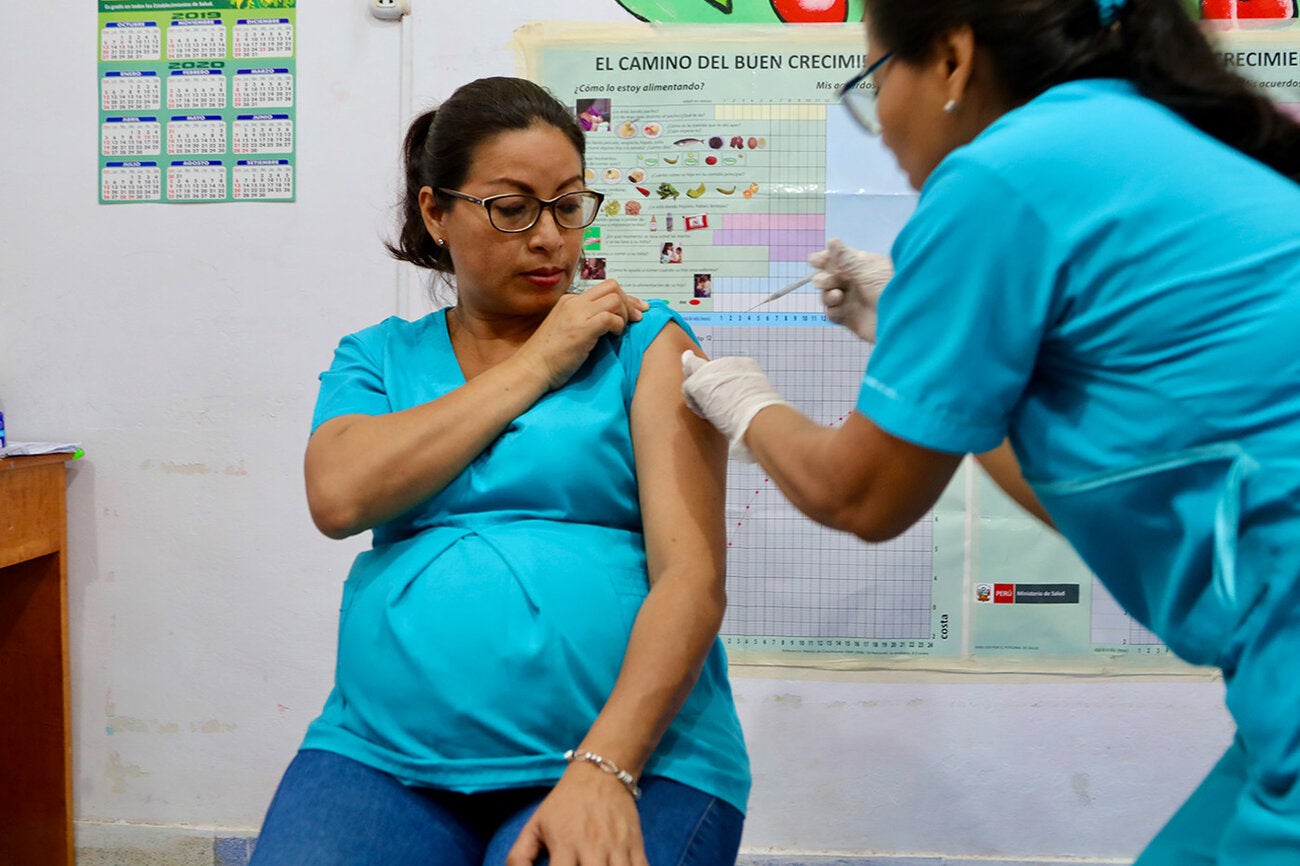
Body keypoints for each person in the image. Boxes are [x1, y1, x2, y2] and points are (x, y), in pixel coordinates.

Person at [680, 1, 1300, 863]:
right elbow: (1081, 490)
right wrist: (915, 344)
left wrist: (749, 406)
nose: (880, 118)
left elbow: (861, 495)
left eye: (875, 77)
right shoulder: (1131, 135)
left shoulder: (998, 175)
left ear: (954, 60)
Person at [251, 76, 749, 866]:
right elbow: (339, 496)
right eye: (512, 208)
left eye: (568, 204)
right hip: (385, 755)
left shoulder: (644, 344)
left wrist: (604, 768)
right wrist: (542, 361)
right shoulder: (379, 357)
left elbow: (692, 580)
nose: (550, 237)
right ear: (435, 213)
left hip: (633, 756)